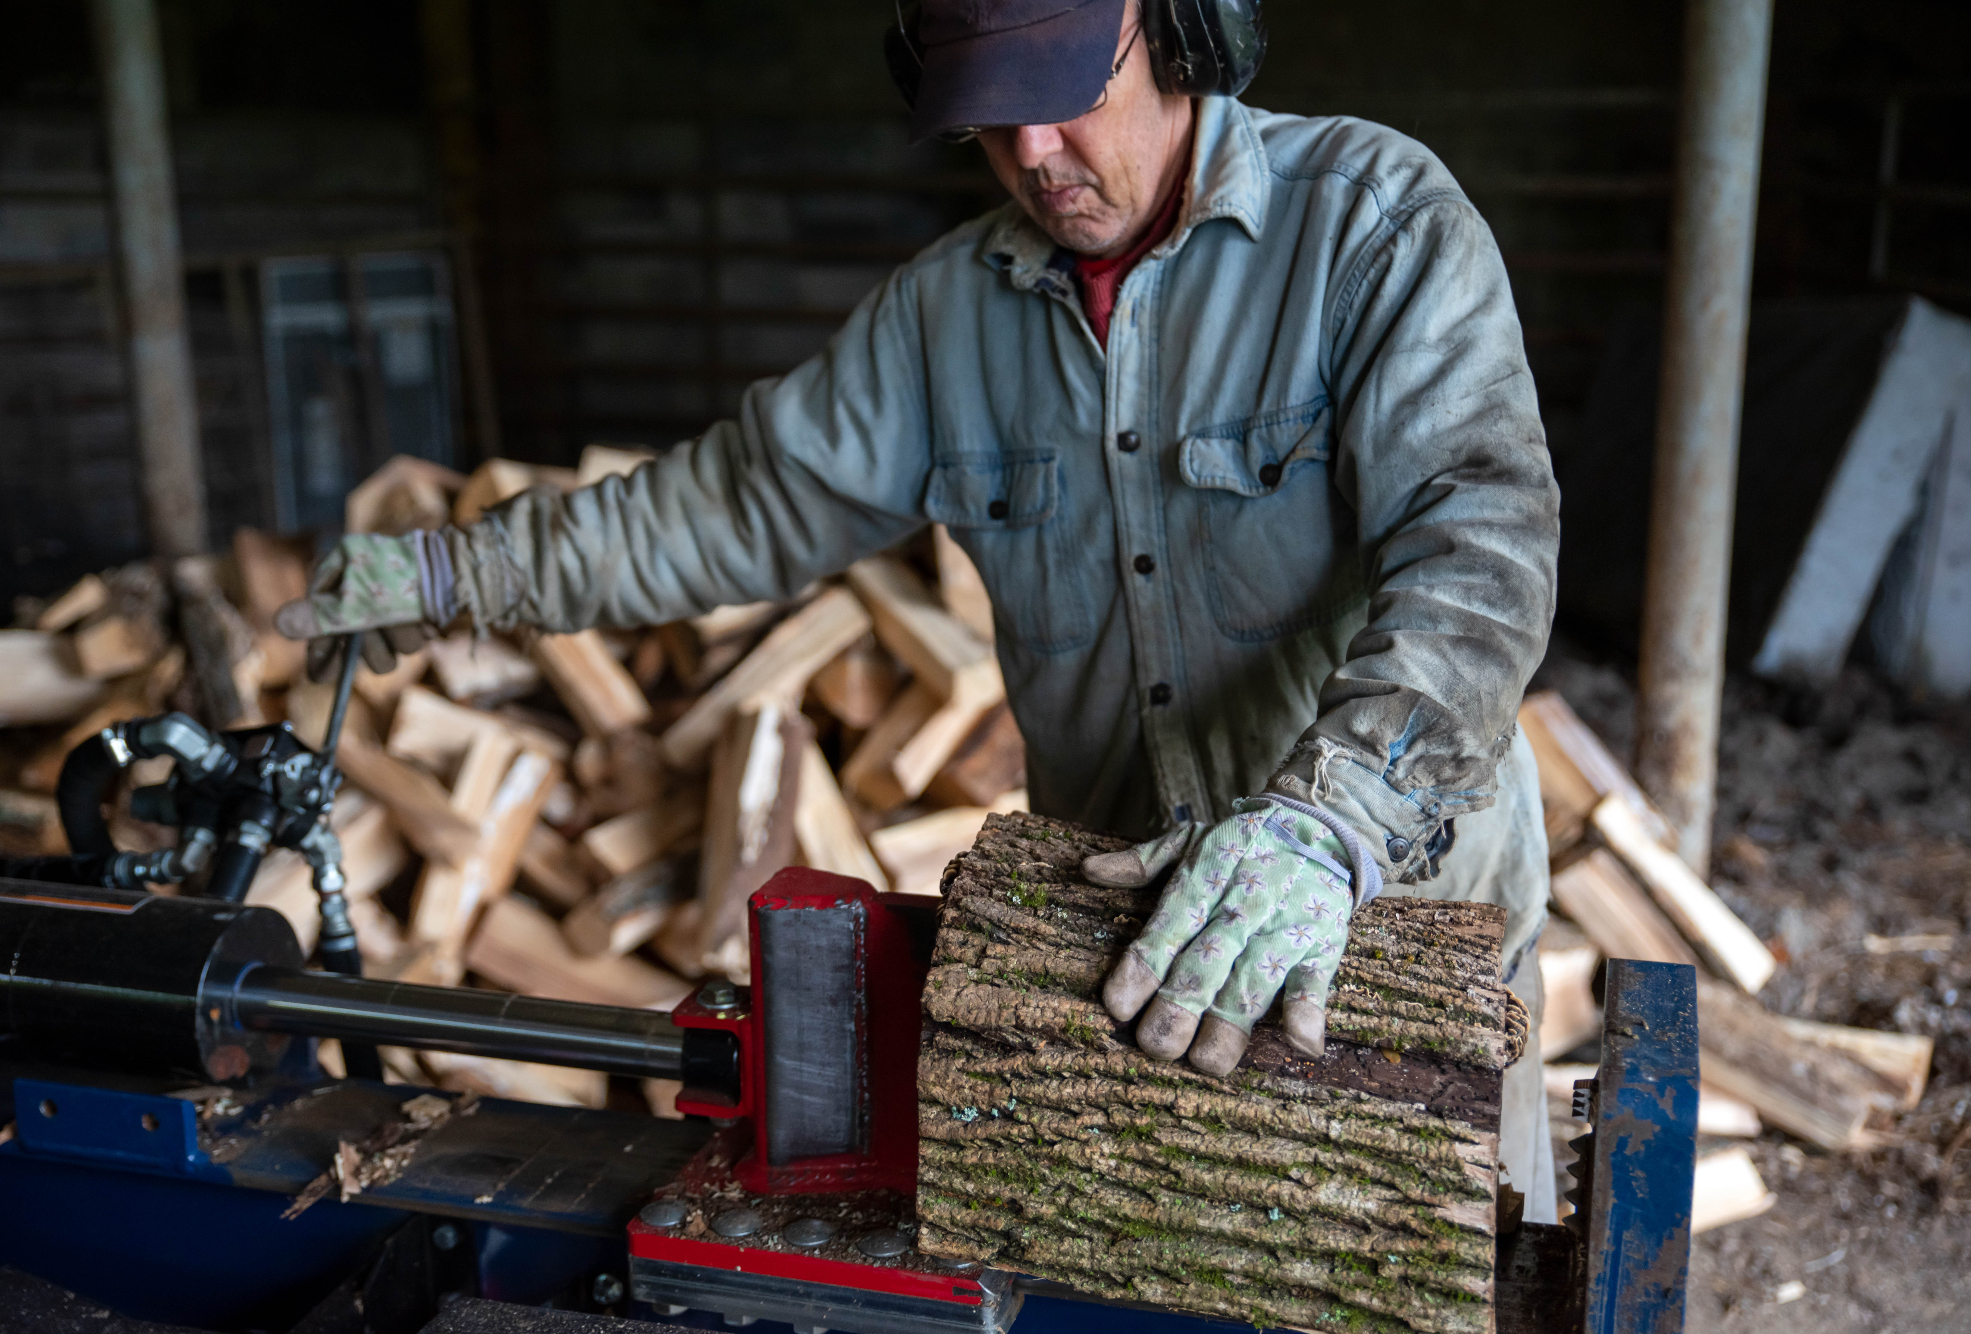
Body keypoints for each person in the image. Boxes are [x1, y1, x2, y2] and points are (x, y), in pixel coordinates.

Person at [278, 0, 1561, 1220]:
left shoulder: (1367, 225)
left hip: (1391, 922)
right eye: (989, 119)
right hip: (1127, 953)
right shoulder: (947, 318)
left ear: (1179, 29)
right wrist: (460, 576)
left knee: (1460, 1269)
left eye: (1061, 98)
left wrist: (1327, 824)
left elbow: (1482, 544)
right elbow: (730, 505)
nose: (1032, 154)